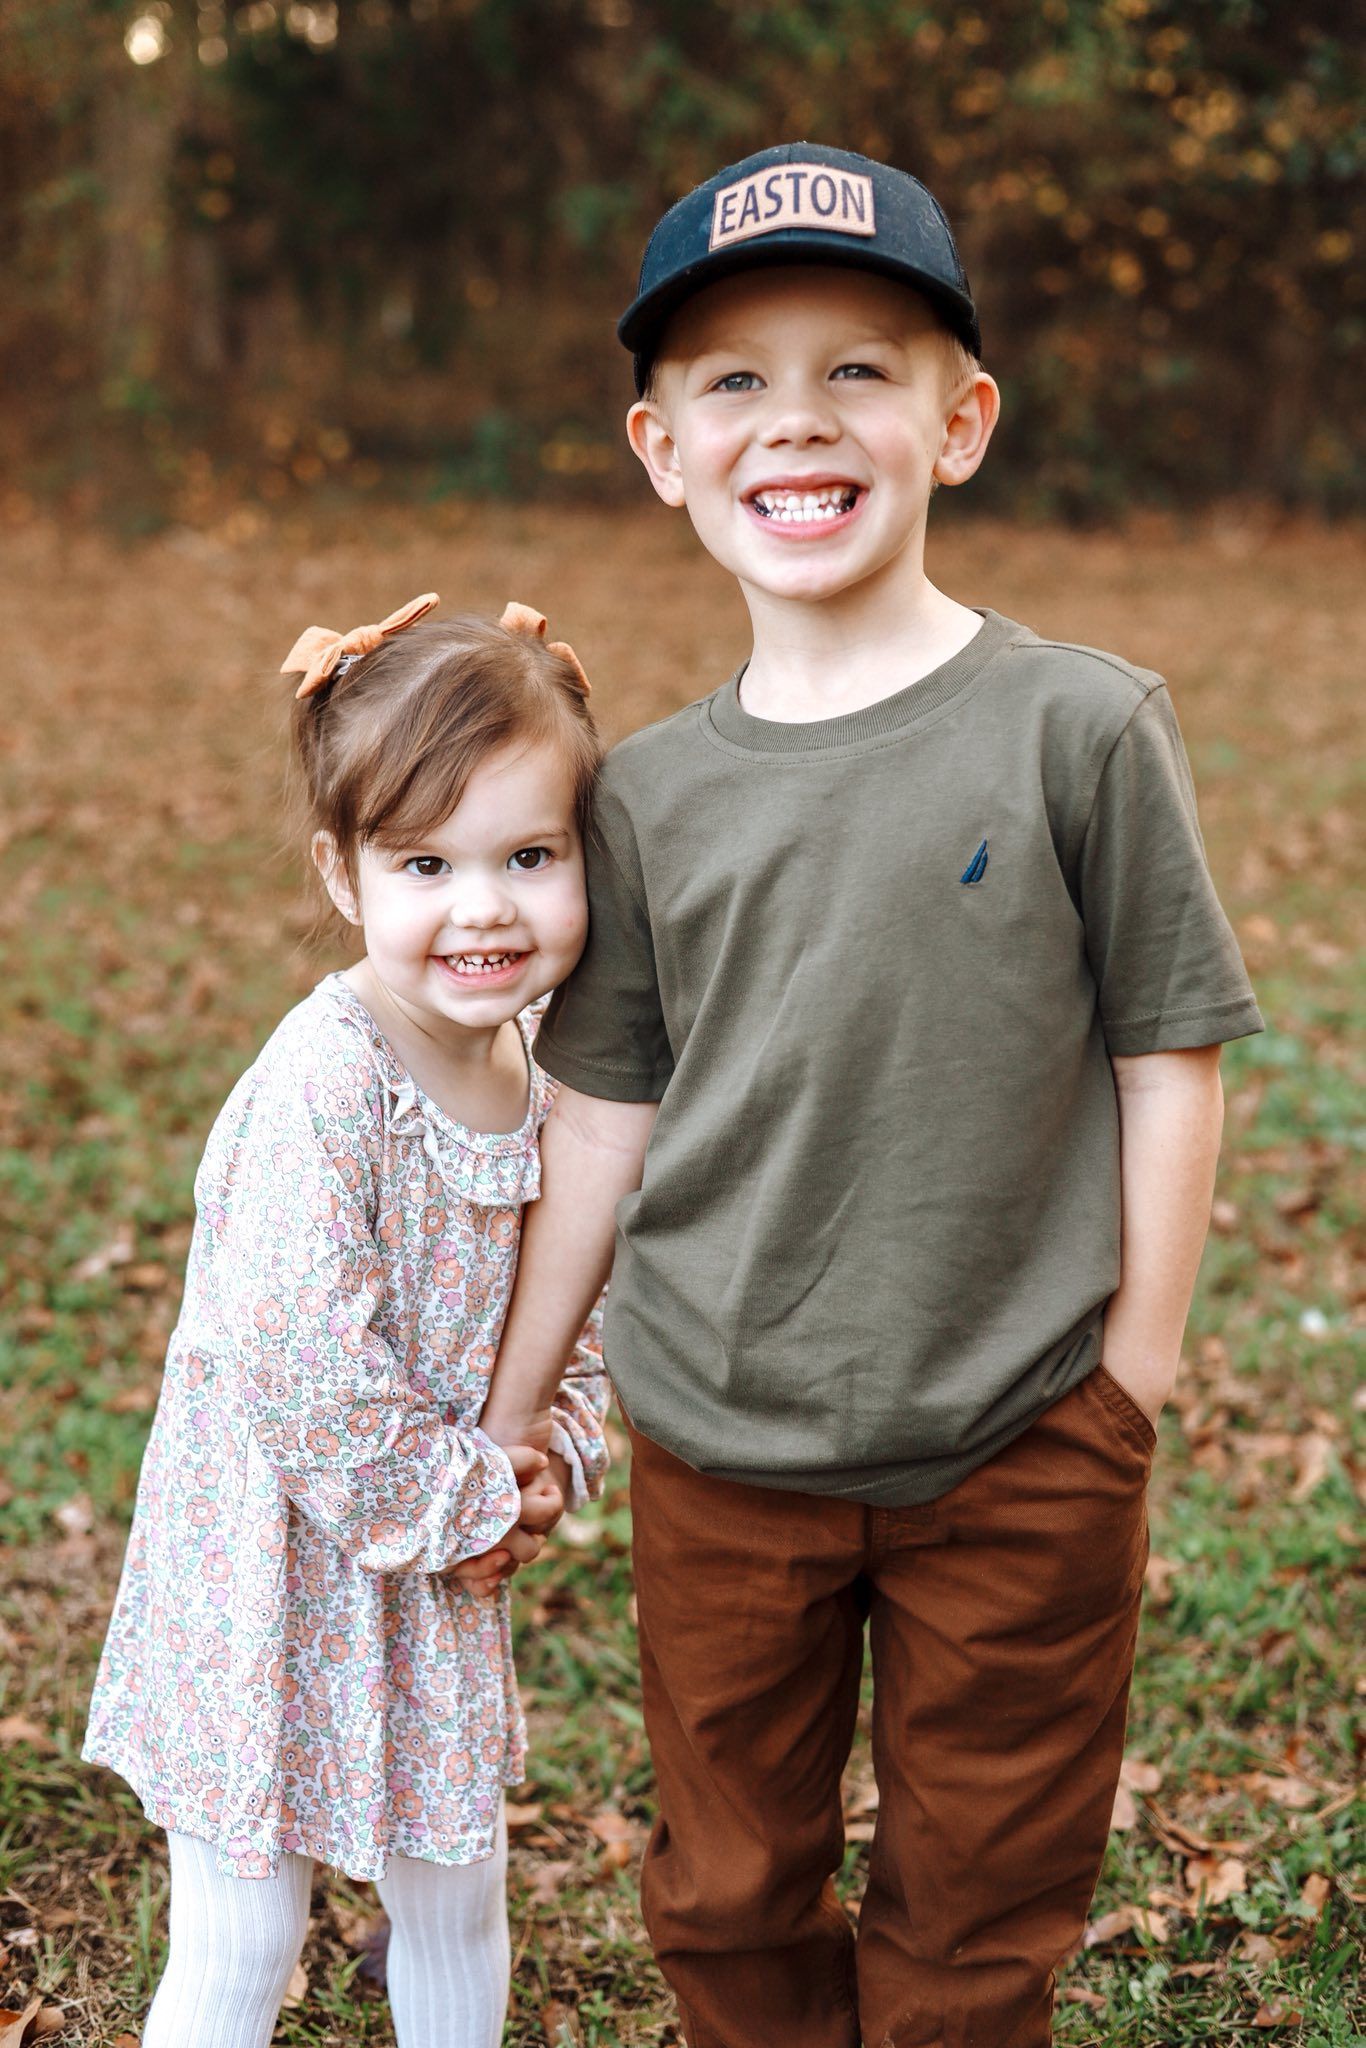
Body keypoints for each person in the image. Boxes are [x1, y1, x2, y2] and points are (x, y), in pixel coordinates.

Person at [478, 143, 1265, 2048]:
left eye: (857, 369)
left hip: (1018, 1432)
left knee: (982, 1892)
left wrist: (1127, 1376)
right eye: (734, 381)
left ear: (958, 422)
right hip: (722, 1439)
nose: (795, 422)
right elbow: (602, 1115)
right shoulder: (644, 796)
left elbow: (1166, 1044)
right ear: (661, 450)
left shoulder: (1078, 724)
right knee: (730, 1887)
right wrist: (511, 1408)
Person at [83, 593, 608, 2048]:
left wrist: (555, 1449)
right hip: (274, 1564)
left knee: (456, 1888)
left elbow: (585, 1296)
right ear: (342, 871)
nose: (483, 905)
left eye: (530, 856)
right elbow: (298, 1360)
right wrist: (465, 1498)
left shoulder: (551, 1069)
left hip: (437, 1570)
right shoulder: (329, 1083)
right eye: (425, 863)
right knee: (246, 1926)